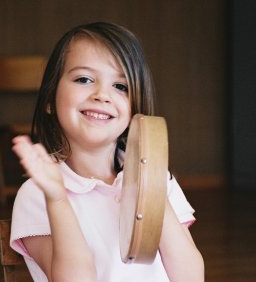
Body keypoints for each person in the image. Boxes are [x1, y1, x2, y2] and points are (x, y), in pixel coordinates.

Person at [10, 22, 204, 282]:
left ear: (135, 107)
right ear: (49, 100)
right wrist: (57, 198)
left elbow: (190, 278)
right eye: (84, 79)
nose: (102, 95)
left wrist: (152, 186)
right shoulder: (37, 194)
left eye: (120, 86)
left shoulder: (160, 179)